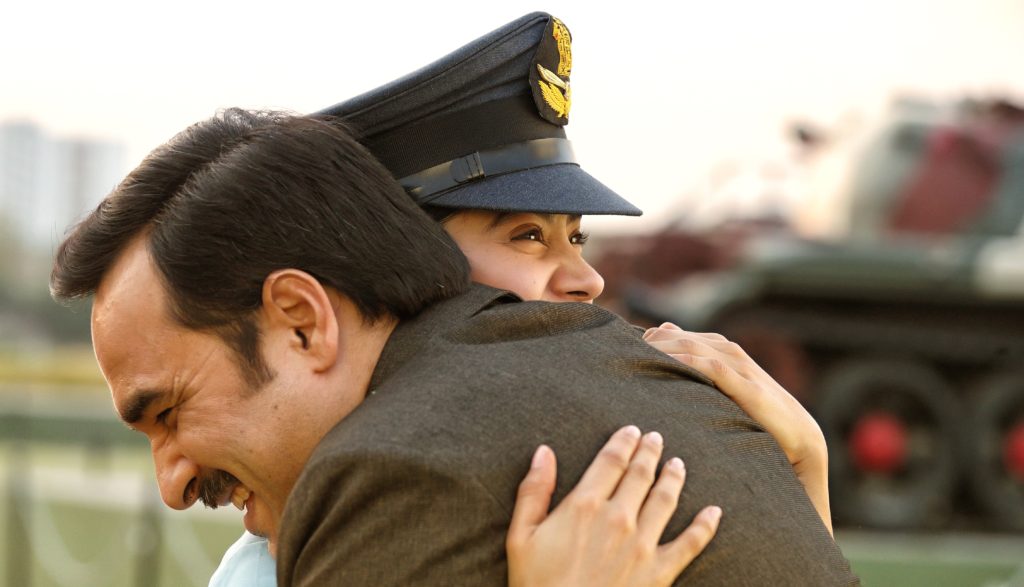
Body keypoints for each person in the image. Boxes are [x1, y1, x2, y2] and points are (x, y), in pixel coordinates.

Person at [52, 109, 856, 585]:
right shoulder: (626, 390)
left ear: (303, 318)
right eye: (527, 239)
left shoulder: (392, 468)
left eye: (167, 412)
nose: (170, 481)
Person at [209, 10, 831, 586]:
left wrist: (805, 486)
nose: (587, 279)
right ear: (399, 263)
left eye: (577, 237)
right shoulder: (285, 564)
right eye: (529, 235)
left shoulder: (579, 485)